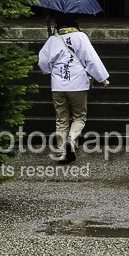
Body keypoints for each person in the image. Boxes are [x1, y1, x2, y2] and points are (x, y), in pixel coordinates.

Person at [38, 20, 110, 162]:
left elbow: (42, 62)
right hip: (78, 85)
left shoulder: (53, 39)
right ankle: (71, 140)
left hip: (58, 85)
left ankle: (61, 152)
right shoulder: (81, 37)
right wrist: (102, 78)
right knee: (79, 116)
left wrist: (50, 70)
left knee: (61, 119)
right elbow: (91, 58)